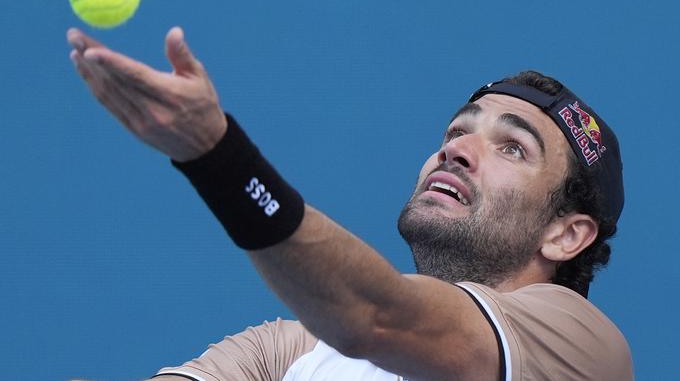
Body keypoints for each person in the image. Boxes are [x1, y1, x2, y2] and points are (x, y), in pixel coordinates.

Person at [67, 26, 633, 381]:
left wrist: (216, 155)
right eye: (456, 131)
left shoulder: (582, 349)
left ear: (566, 234)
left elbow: (374, 317)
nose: (457, 150)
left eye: (512, 147)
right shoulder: (291, 351)